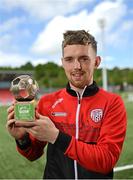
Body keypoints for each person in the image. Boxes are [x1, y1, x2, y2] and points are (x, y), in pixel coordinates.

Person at [6, 30, 127, 179]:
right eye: (69, 59)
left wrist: (57, 137)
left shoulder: (112, 103)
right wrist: (22, 139)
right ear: (62, 62)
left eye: (84, 58)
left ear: (96, 61)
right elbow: (33, 154)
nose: (77, 66)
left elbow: (106, 160)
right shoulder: (47, 102)